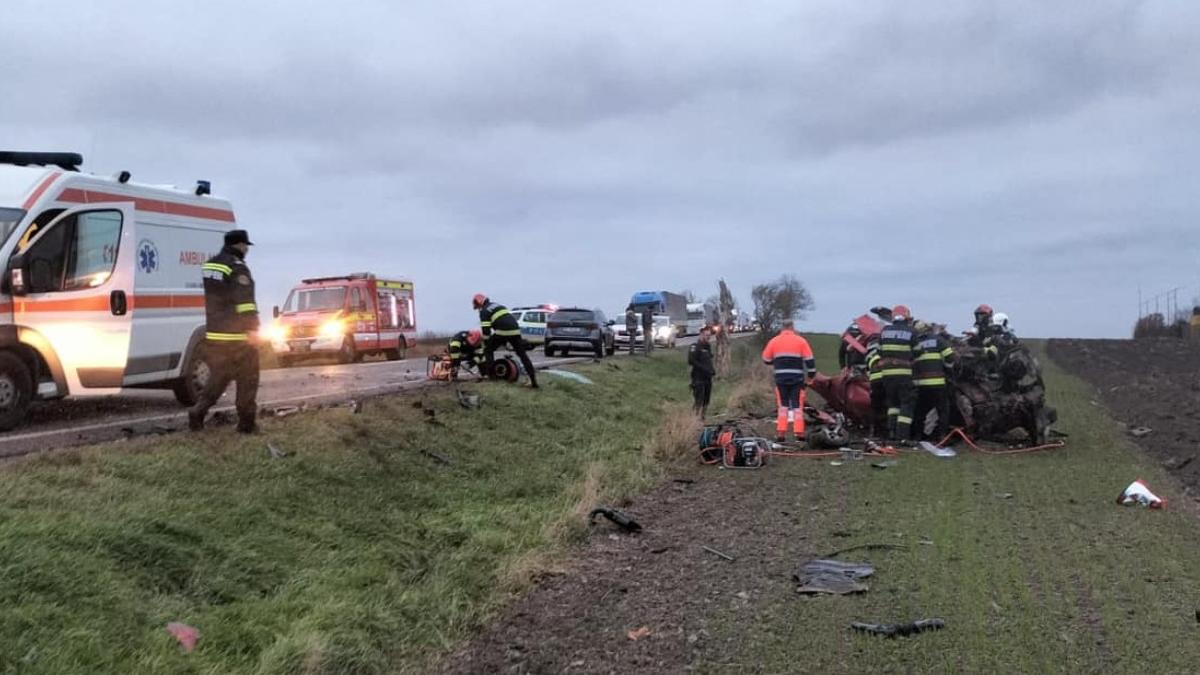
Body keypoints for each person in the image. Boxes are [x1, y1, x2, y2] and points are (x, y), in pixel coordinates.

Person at [189, 229, 261, 433]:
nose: (247, 249)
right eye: (246, 245)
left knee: (218, 378)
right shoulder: (237, 268)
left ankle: (197, 412)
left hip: (215, 334)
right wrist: (253, 329)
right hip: (238, 337)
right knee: (248, 379)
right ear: (239, 245)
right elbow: (245, 302)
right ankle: (247, 424)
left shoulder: (211, 265)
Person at [761, 320, 816, 443]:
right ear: (792, 327)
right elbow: (810, 362)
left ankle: (781, 433)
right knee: (797, 407)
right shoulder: (801, 341)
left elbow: (765, 359)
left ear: (782, 327)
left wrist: (776, 362)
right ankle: (799, 433)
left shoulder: (774, 341)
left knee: (783, 406)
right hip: (797, 378)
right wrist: (810, 377)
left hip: (780, 378)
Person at [474, 294, 538, 388]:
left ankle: (492, 376)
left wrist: (485, 343)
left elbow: (486, 332)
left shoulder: (484, 311)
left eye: (477, 306)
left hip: (502, 331)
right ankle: (533, 381)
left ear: (479, 302)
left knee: (488, 350)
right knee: (522, 354)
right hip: (515, 330)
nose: (478, 308)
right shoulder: (497, 305)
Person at [878, 305, 918, 442]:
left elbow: (879, 351)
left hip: (887, 375)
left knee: (893, 404)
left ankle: (892, 433)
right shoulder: (911, 331)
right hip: (904, 374)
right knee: (906, 404)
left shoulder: (884, 331)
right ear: (906, 317)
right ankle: (903, 437)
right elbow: (918, 351)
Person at [912, 320, 956, 442]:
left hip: (920, 384)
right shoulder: (938, 340)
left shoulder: (914, 344)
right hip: (937, 383)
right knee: (943, 409)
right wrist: (948, 369)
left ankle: (918, 436)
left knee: (920, 411)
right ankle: (942, 437)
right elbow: (950, 356)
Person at [688, 326, 715, 417]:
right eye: (706, 335)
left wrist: (711, 370)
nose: (708, 337)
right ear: (701, 335)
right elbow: (691, 361)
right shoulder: (695, 346)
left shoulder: (707, 347)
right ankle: (694, 418)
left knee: (706, 400)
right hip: (698, 378)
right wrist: (705, 369)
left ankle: (702, 417)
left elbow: (709, 360)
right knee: (699, 399)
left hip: (707, 378)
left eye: (709, 336)